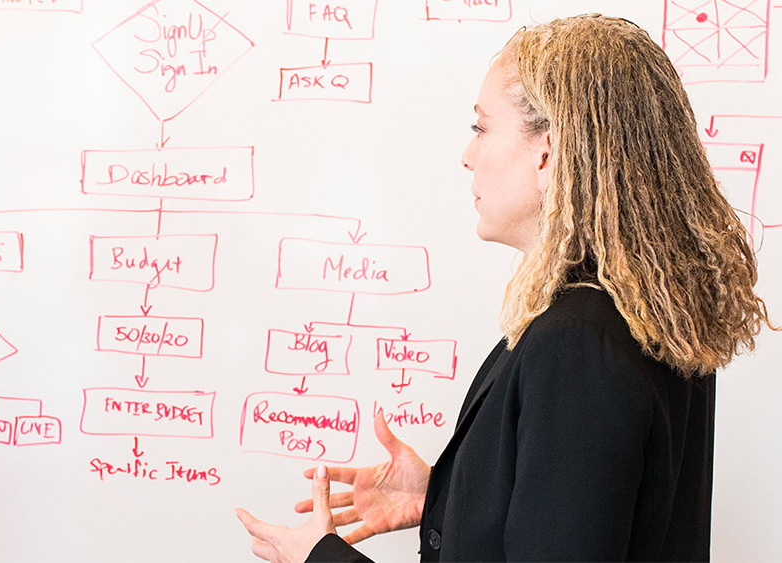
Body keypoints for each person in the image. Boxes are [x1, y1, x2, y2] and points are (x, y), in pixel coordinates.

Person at [235, 13, 777, 563]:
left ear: (548, 151)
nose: (468, 155)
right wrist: (448, 495)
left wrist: (321, 558)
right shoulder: (649, 314)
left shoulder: (580, 345)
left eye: (481, 127)